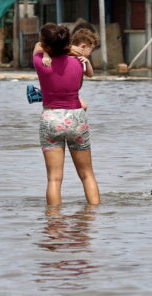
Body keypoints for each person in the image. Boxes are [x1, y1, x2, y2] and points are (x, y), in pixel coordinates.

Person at [33, 23, 100, 206]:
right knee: (87, 175)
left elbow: (37, 47)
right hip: (76, 118)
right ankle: (93, 218)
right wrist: (70, 48)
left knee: (54, 179)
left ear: (47, 45)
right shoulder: (78, 63)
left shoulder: (41, 62)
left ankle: (54, 222)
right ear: (67, 43)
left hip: (51, 118)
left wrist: (55, 47)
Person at [41, 28, 99, 110]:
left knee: (83, 106)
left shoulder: (82, 60)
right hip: (60, 92)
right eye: (91, 50)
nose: (90, 54)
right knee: (83, 106)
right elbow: (47, 48)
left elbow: (90, 74)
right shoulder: (64, 55)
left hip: (70, 94)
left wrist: (87, 62)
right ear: (83, 46)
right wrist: (46, 55)